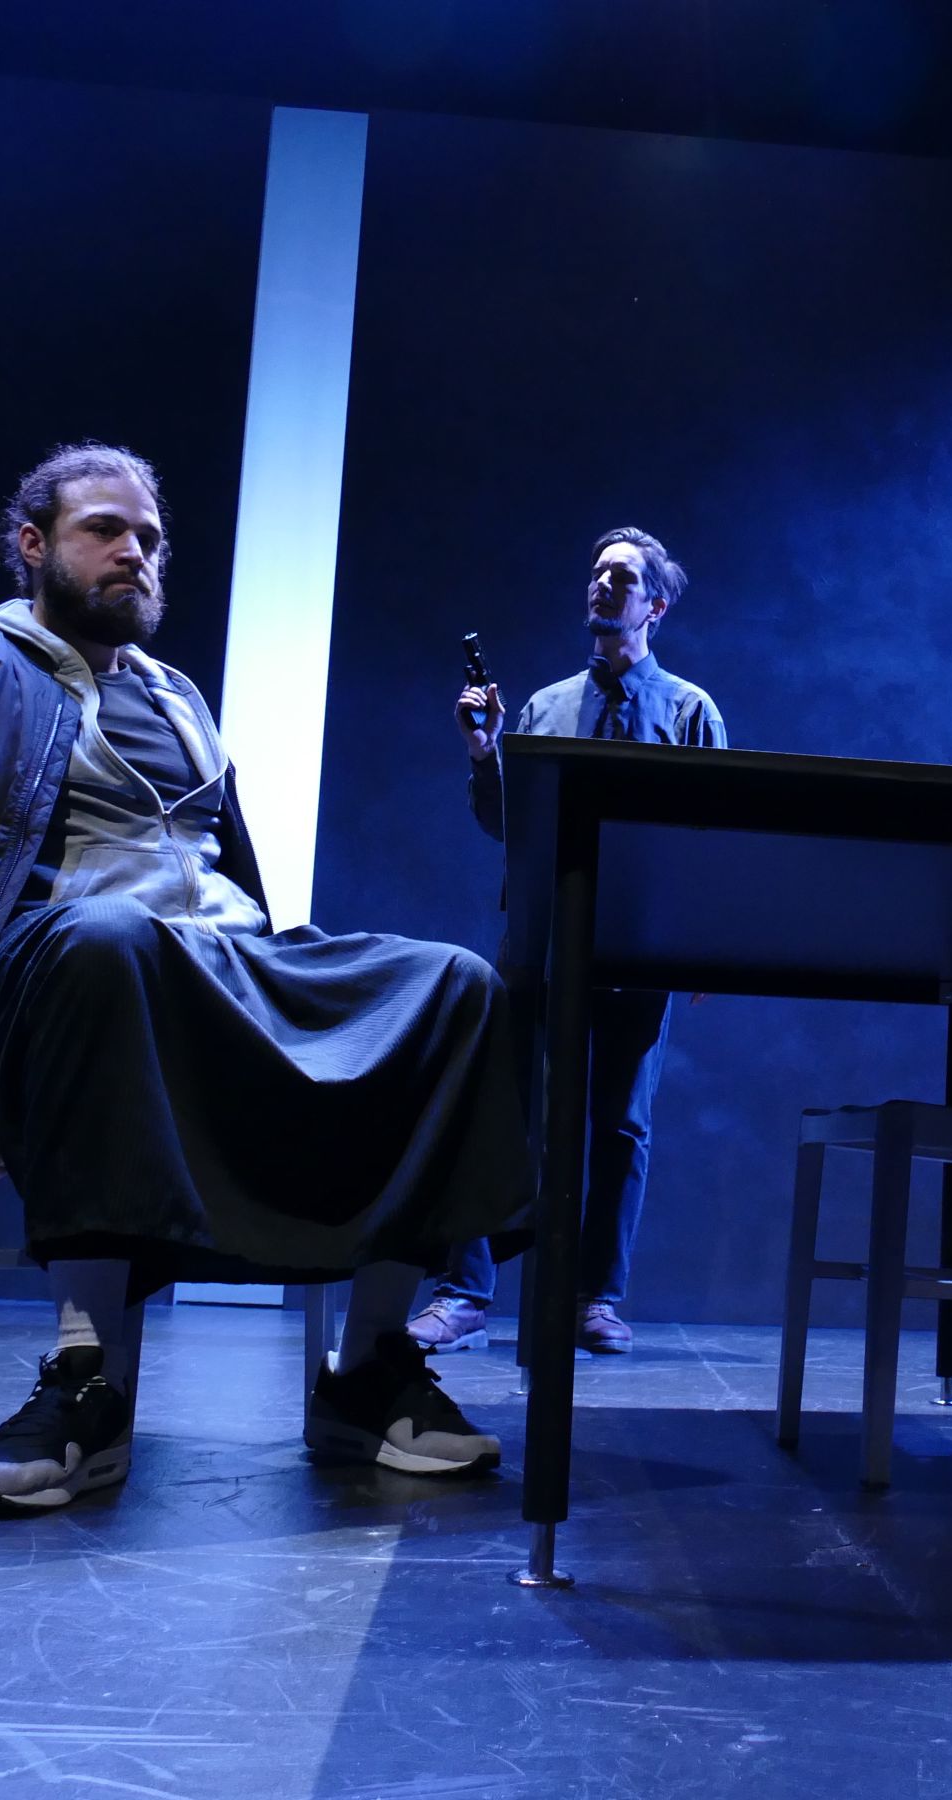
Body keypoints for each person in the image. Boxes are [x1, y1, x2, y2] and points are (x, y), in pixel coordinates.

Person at [0, 443, 529, 1514]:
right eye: (105, 529)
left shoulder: (177, 696)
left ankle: (371, 1370)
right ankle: (86, 1378)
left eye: (150, 537)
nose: (135, 552)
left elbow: (230, 880)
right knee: (109, 942)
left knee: (453, 982)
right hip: (57, 961)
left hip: (207, 961)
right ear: (33, 544)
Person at [407, 528, 725, 1357]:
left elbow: (713, 832)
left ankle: (595, 1297)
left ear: (655, 605)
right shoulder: (545, 708)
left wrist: (701, 944)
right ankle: (464, 1293)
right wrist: (483, 751)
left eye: (622, 576)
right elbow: (505, 825)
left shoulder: (689, 710)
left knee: (619, 1127)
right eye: (596, 572)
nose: (603, 584)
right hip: (542, 939)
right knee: (500, 1114)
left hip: (640, 947)